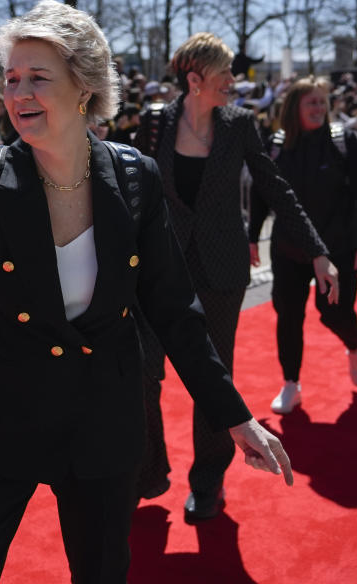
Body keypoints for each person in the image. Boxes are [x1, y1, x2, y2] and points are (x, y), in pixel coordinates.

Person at [0, 0, 293, 583]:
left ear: (84, 86)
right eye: (11, 78)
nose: (18, 93)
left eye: (38, 77)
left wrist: (234, 417)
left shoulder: (135, 176)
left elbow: (173, 309)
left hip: (103, 425)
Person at [132, 32, 338, 522]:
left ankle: (207, 482)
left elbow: (275, 186)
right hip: (161, 266)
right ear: (195, 78)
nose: (234, 81)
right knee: (141, 370)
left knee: (212, 380)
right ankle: (149, 468)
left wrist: (318, 252)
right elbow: (134, 189)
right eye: (225, 73)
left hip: (222, 270)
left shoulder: (239, 123)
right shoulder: (154, 123)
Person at [249, 77, 357, 414]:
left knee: (333, 313)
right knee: (288, 316)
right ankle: (291, 383)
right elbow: (262, 194)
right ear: (295, 108)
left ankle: (354, 344)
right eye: (312, 103)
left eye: (322, 102)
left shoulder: (343, 142)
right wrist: (253, 236)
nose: (320, 108)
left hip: (339, 248)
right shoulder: (276, 144)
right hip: (288, 249)